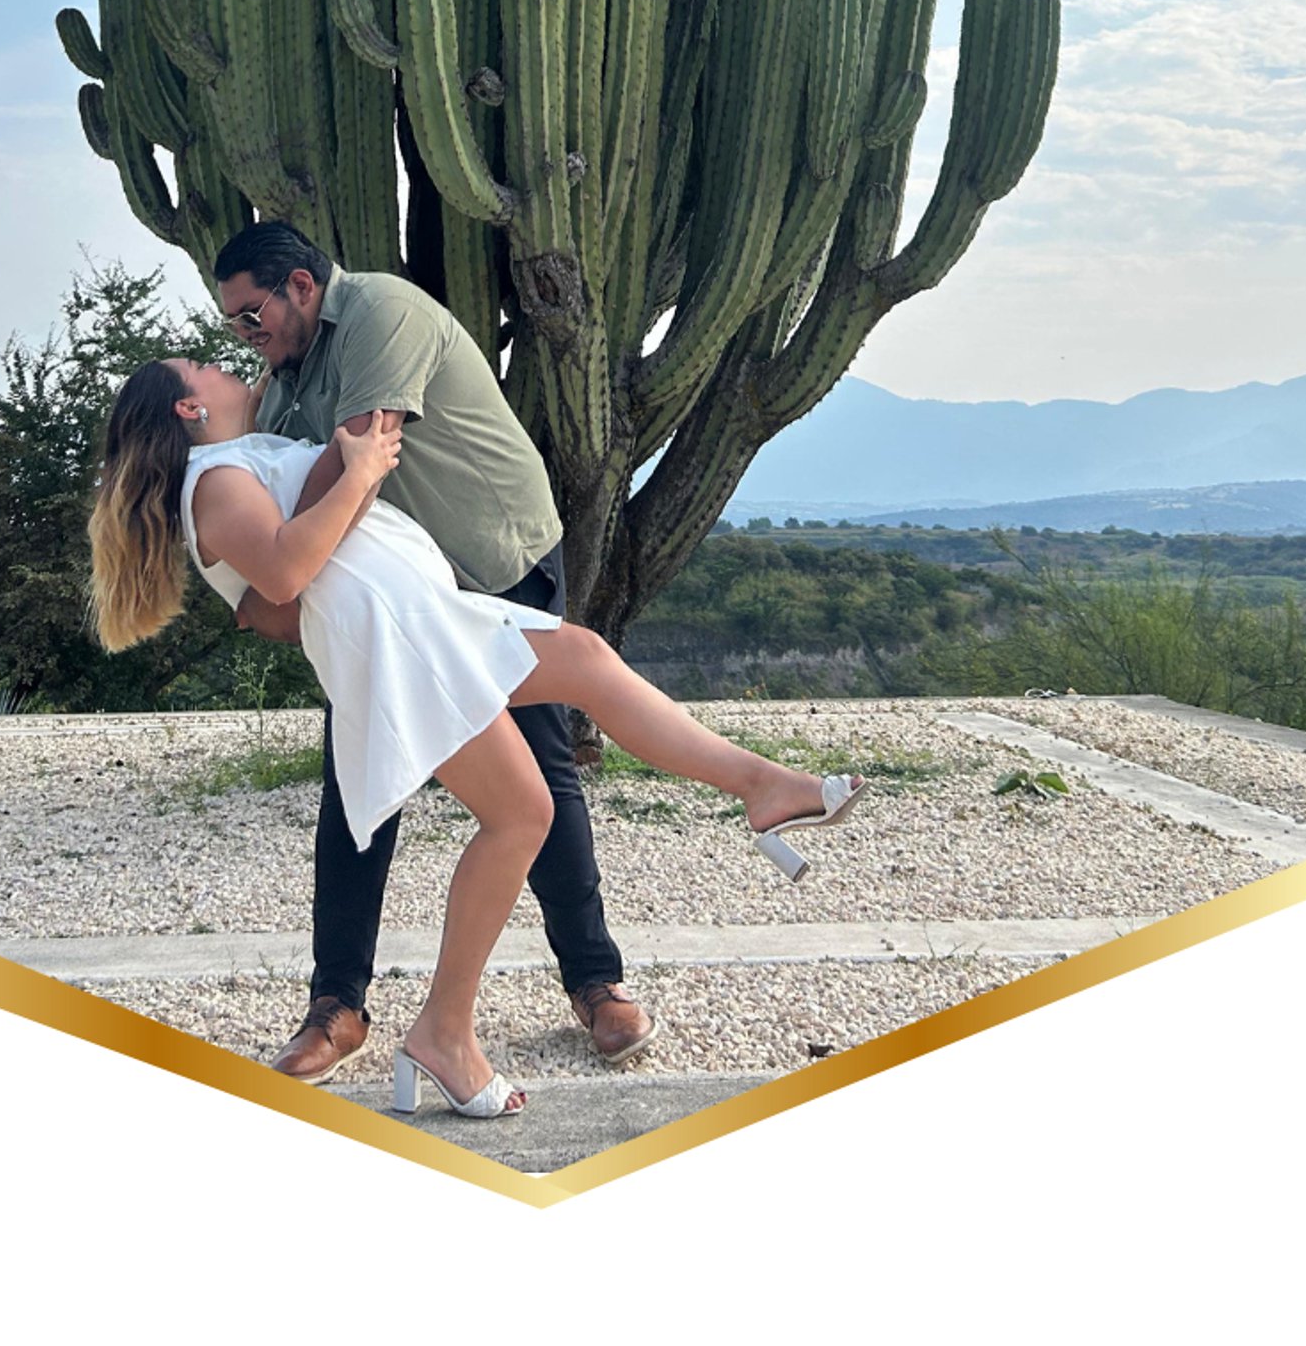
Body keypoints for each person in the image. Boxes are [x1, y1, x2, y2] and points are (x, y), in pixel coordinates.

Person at [87, 357, 863, 1124]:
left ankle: (761, 787)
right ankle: (445, 1032)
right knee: (523, 813)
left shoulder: (239, 460)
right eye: (204, 367)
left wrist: (353, 454)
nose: (227, 365)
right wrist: (360, 471)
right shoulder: (213, 483)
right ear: (189, 409)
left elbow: (280, 573)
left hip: (427, 616)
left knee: (587, 661)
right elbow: (287, 573)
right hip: (399, 640)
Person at [211, 222, 651, 1085]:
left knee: (541, 763)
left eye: (250, 314)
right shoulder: (285, 378)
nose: (244, 335)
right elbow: (288, 490)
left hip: (494, 559)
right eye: (232, 326)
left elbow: (350, 467)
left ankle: (596, 982)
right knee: (358, 777)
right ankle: (336, 1007)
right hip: (397, 600)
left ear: (302, 285)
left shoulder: (381, 312)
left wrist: (275, 569)